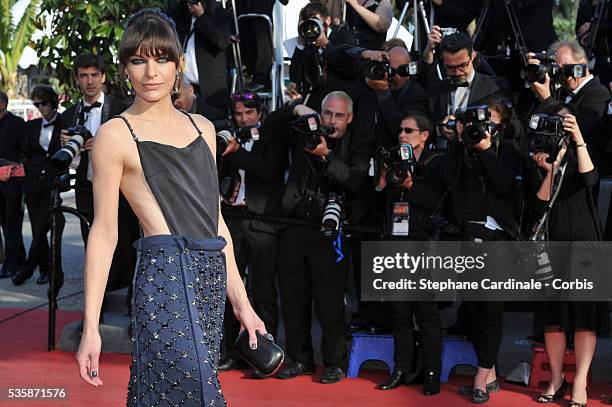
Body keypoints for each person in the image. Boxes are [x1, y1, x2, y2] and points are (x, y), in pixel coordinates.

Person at [75, 9, 266, 405]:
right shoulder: (115, 134)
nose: (151, 72)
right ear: (125, 68)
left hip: (210, 279)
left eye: (161, 58)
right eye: (138, 60)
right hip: (163, 279)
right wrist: (90, 326)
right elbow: (105, 231)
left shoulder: (204, 129)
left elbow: (217, 224)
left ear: (178, 65)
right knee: (197, 391)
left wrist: (242, 304)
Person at [531, 102, 610, 407]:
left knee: (584, 318)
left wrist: (577, 140)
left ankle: (580, 382)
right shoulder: (540, 155)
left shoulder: (583, 151)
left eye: (565, 123)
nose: (560, 128)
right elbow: (538, 204)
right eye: (556, 124)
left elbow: (591, 181)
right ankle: (555, 379)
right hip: (552, 244)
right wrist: (549, 170)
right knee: (552, 318)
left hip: (586, 244)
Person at [62, 52, 139, 319]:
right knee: (92, 247)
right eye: (84, 76)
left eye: (94, 75)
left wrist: (106, 145)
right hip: (86, 187)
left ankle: (134, 301)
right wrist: (67, 147)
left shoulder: (121, 108)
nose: (90, 81)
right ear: (77, 80)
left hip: (121, 189)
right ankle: (98, 304)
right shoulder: (69, 115)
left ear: (104, 77)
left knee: (128, 245)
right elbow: (59, 161)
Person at [217, 90, 288, 376]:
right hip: (231, 218)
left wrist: (239, 154)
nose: (244, 119)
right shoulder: (227, 138)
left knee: (263, 291)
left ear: (259, 113)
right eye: (239, 114)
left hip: (261, 221)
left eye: (249, 113)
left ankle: (264, 354)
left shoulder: (273, 138)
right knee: (229, 291)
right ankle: (232, 352)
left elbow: (270, 171)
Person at [374, 112, 444, 396]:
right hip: (394, 243)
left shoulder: (436, 162)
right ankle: (401, 368)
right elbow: (377, 200)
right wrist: (382, 178)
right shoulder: (393, 160)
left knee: (426, 312)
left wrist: (411, 186)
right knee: (399, 311)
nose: (402, 135)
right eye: (400, 130)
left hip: (424, 244)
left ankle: (431, 372)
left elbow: (438, 202)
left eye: (409, 130)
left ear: (424, 135)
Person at [12, 85, 63, 286]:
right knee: (37, 230)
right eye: (37, 104)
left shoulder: (63, 122)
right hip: (33, 184)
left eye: (44, 103)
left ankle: (28, 268)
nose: (41, 107)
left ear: (52, 102)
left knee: (44, 228)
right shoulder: (31, 126)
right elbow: (24, 153)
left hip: (53, 183)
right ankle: (44, 270)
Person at [530, 40, 610, 166]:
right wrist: (535, 75)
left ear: (582, 63)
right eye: (558, 69)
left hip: (578, 172)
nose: (563, 74)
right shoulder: (560, 92)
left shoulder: (598, 93)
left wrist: (547, 100)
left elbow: (578, 129)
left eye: (567, 68)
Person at [167, 0, 232, 111]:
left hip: (210, 90)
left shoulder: (220, 14)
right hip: (185, 86)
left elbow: (221, 41)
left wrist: (201, 16)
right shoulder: (182, 16)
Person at [0, 91, 26, 279]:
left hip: (13, 181)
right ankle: (19, 257)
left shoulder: (17, 124)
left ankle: (11, 264)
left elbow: (26, 152)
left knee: (12, 223)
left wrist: (12, 166)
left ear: (3, 104)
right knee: (4, 223)